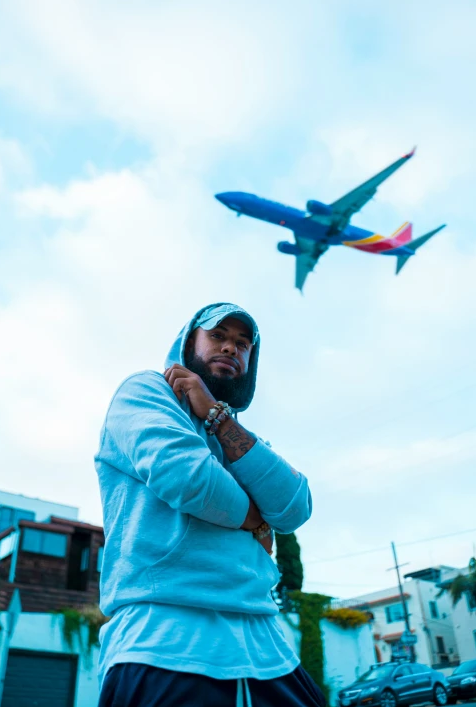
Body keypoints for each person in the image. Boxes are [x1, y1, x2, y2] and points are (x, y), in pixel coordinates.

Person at [95, 303, 322, 707]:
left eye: (242, 343)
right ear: (189, 343)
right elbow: (188, 478)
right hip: (164, 637)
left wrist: (217, 417)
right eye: (217, 336)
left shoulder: (238, 436)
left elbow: (294, 508)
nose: (232, 348)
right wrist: (255, 519)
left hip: (266, 645)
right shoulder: (145, 391)